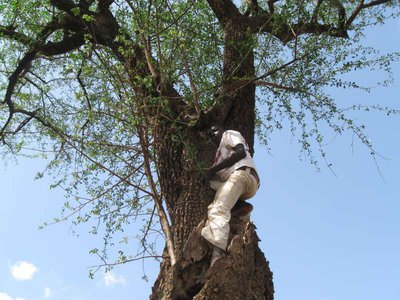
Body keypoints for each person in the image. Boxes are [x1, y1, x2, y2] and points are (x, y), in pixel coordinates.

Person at [201, 125, 260, 266]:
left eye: (214, 130)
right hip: (241, 182)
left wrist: (212, 170)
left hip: (242, 176)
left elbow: (240, 153)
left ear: (222, 130)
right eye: (209, 135)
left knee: (218, 209)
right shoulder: (220, 154)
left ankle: (218, 255)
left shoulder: (229, 134)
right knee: (213, 187)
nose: (212, 135)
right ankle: (242, 207)